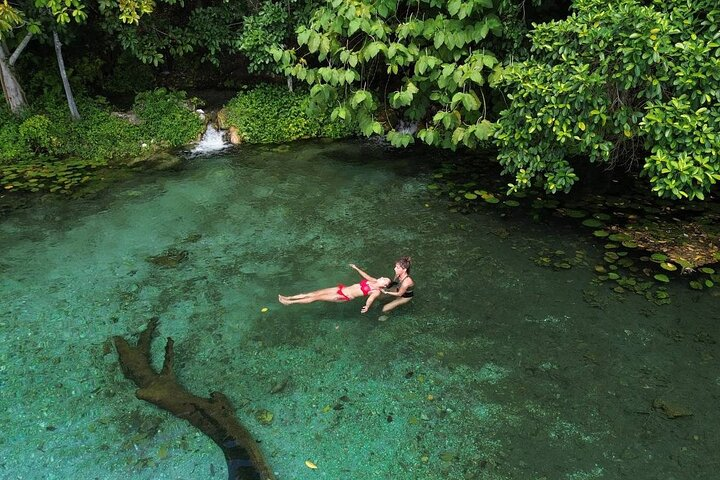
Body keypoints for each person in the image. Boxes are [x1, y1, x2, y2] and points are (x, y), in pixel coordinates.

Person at [278, 264, 391, 313]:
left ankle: (290, 303)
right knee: (313, 293)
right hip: (341, 289)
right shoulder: (374, 280)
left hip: (342, 296)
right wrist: (356, 268)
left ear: (384, 285)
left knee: (315, 298)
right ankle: (288, 297)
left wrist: (367, 307)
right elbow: (365, 275)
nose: (381, 277)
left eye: (384, 279)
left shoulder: (375, 292)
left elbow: (370, 299)